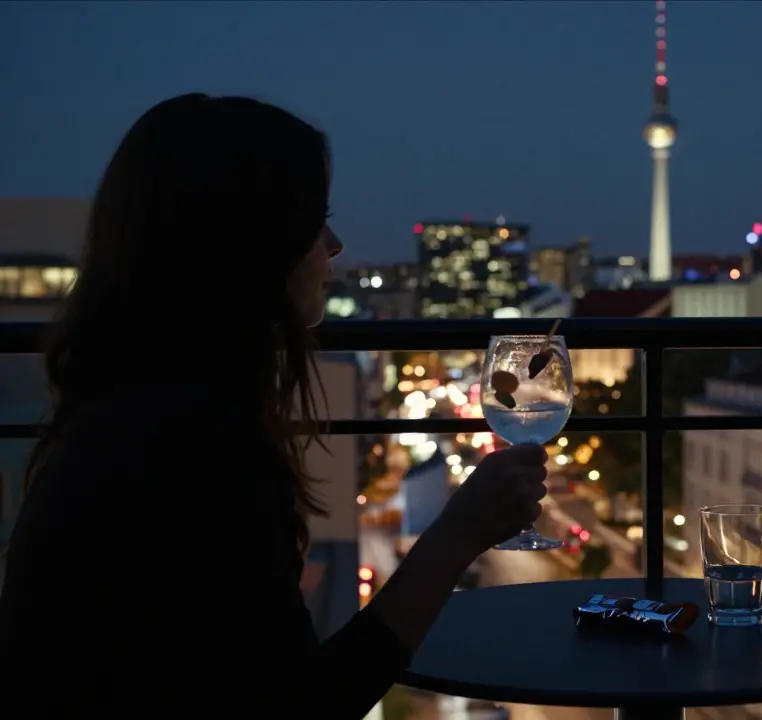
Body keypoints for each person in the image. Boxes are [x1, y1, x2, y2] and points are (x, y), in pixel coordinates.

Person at [0, 94, 550, 718]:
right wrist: (456, 535)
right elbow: (303, 704)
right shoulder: (193, 455)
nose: (335, 245)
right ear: (252, 246)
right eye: (316, 220)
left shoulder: (126, 424)